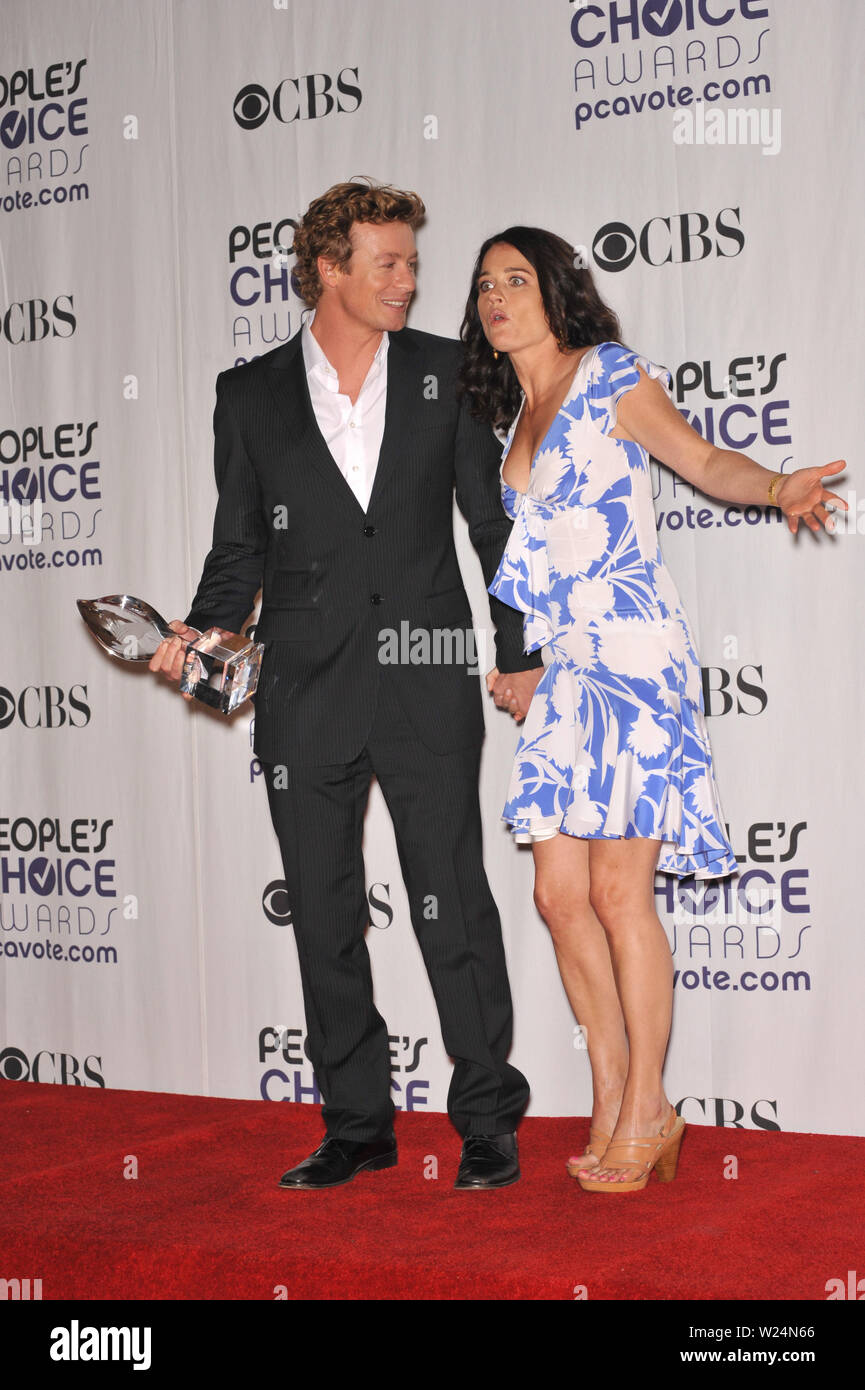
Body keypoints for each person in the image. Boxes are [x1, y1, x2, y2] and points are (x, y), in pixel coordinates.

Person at [149, 181, 544, 1190]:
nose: (410, 281)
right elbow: (238, 552)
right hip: (306, 694)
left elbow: (490, 527)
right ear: (328, 269)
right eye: (388, 263)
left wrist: (518, 648)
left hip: (424, 681)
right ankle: (358, 1125)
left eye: (412, 262)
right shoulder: (250, 394)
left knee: (451, 902)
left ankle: (487, 1122)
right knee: (323, 912)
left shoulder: (448, 373)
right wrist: (200, 636)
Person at [458, 226, 846, 1193]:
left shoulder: (607, 372)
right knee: (557, 897)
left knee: (620, 894)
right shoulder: (515, 417)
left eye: (516, 280)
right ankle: (612, 1090)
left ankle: (646, 1110)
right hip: (565, 668)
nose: (496, 298)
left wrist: (772, 485)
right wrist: (524, 660)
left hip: (632, 656)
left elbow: (698, 460)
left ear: (556, 293)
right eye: (482, 287)